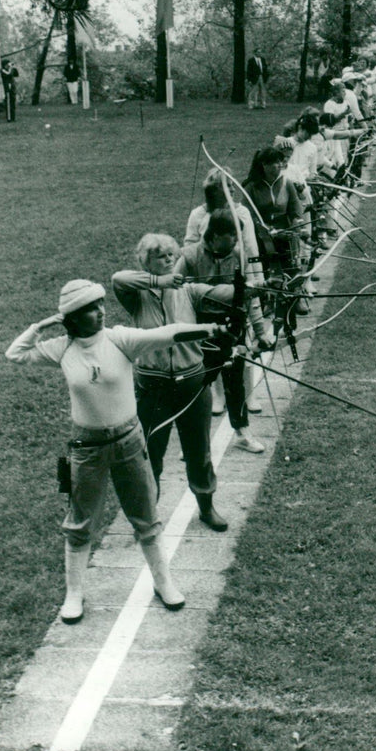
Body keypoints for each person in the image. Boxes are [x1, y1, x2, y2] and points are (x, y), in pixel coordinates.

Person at [5, 279, 224, 623]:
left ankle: (163, 583)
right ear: (73, 319)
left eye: (101, 304)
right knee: (79, 525)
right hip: (87, 448)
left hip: (128, 442)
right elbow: (15, 354)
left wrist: (211, 329)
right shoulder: (61, 348)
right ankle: (74, 594)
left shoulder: (119, 339)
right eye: (91, 309)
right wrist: (40, 326)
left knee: (146, 519)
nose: (101, 312)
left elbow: (168, 333)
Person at [113, 232, 249, 529]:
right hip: (152, 387)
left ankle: (206, 505)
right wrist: (159, 282)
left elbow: (225, 294)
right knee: (151, 454)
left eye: (172, 255)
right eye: (161, 256)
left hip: (192, 383)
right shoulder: (135, 295)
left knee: (199, 451)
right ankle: (149, 514)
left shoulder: (187, 290)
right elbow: (118, 278)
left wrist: (254, 287)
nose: (170, 260)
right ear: (146, 262)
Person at [174, 213, 270, 452]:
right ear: (215, 236)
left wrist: (260, 331)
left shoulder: (238, 255)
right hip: (201, 327)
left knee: (235, 380)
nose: (235, 245)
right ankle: (193, 439)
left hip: (234, 325)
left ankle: (242, 432)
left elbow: (249, 297)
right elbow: (173, 293)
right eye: (231, 239)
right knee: (197, 381)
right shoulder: (189, 256)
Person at [183, 168, 268, 415]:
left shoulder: (241, 213)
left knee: (244, 341)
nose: (233, 190)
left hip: (239, 279)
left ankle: (247, 395)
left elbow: (251, 250)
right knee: (210, 354)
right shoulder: (198, 215)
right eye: (227, 187)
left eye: (232, 186)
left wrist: (258, 283)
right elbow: (189, 247)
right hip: (207, 289)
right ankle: (218, 397)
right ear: (215, 191)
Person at [243, 145, 307, 311]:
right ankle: (268, 300)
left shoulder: (287, 183)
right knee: (265, 267)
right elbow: (248, 215)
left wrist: (295, 226)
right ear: (264, 165)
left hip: (285, 231)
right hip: (261, 234)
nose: (279, 166)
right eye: (274, 163)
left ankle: (295, 297)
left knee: (292, 263)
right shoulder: (251, 186)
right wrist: (266, 230)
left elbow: (296, 209)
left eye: (280, 163)